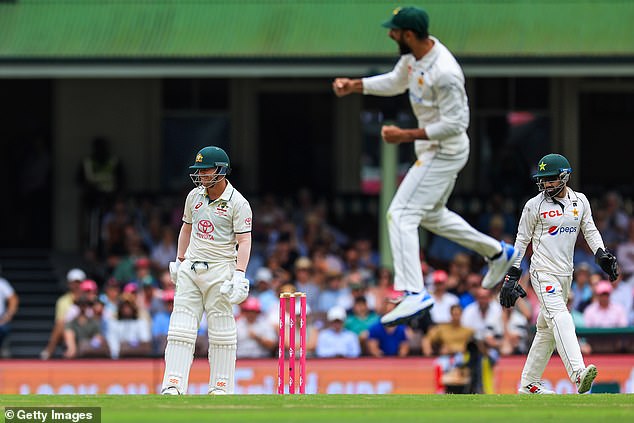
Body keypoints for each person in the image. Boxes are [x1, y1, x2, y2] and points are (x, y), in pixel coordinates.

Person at [332, 6, 518, 326]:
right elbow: (395, 81)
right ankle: (499, 253)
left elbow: (458, 123)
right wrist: (355, 86)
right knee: (432, 216)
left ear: (407, 34)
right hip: (432, 149)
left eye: (394, 31)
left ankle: (414, 292)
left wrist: (406, 135)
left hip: (444, 150)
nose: (390, 35)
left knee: (401, 214)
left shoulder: (444, 72)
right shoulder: (414, 57)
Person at [499, 153, 620, 394]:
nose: (545, 184)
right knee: (562, 317)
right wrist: (511, 276)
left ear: (564, 177)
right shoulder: (534, 205)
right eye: (542, 180)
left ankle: (528, 384)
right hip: (542, 272)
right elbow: (521, 242)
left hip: (566, 274)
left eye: (550, 179)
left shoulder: (580, 201)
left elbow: (591, 230)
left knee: (546, 329)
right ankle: (578, 373)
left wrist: (601, 255)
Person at [161, 145, 253, 395]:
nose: (201, 174)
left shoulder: (238, 203)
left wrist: (239, 273)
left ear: (221, 170)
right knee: (180, 328)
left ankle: (221, 386)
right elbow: (186, 229)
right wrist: (179, 260)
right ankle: (173, 384)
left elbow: (244, 241)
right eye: (198, 170)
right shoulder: (194, 196)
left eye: (205, 169)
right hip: (192, 267)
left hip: (221, 270)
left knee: (221, 330)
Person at [0, 270, 19, 353]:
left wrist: (7, 317)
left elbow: (14, 300)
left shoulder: (1, 283)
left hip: (0, 322)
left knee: (4, 328)